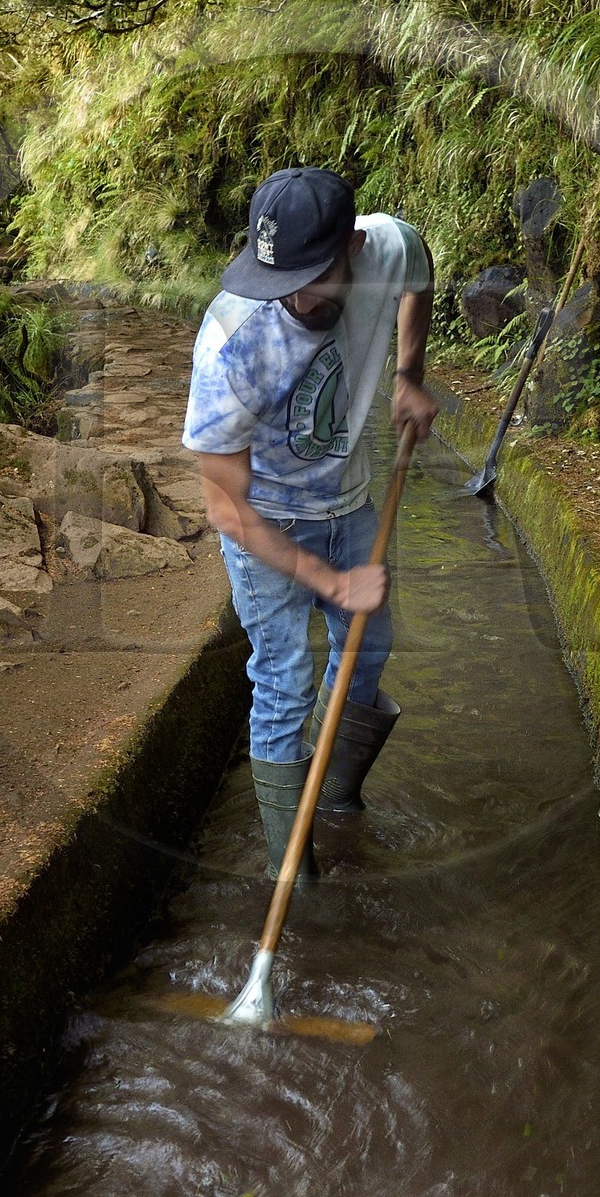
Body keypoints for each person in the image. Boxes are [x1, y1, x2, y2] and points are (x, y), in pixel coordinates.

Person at [183, 166, 439, 873]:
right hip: (266, 522)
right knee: (284, 678)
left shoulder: (382, 246)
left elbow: (420, 270)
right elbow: (224, 507)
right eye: (279, 278)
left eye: (310, 274)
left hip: (351, 501)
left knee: (368, 649)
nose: (294, 295)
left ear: (351, 246)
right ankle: (289, 867)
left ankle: (333, 796)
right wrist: (326, 577)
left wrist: (407, 374)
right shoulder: (231, 346)